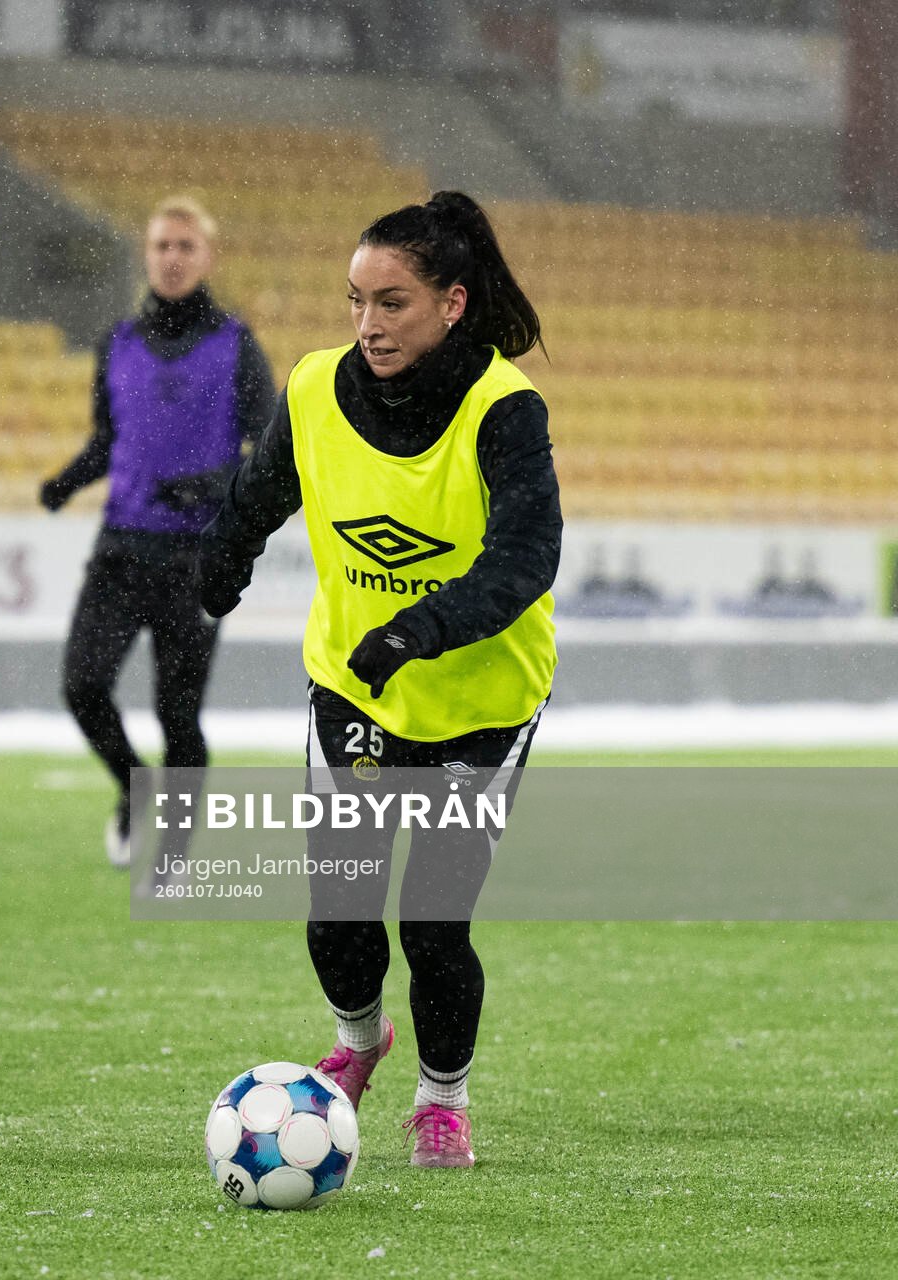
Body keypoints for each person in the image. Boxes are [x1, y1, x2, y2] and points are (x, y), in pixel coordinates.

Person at [195, 191, 560, 1168]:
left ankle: (443, 1099)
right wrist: (220, 564)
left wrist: (419, 628)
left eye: (391, 302)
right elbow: (260, 492)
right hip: (356, 692)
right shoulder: (316, 387)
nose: (368, 323)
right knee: (342, 909)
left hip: (483, 709)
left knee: (434, 923)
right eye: (356, 300)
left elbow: (527, 558)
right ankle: (359, 1043)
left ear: (451, 303)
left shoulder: (504, 409)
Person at [39, 196, 274, 869]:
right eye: (162, 246)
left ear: (208, 257)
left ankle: (174, 849)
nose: (172, 258)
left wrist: (210, 485)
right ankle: (134, 787)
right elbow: (108, 440)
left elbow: (269, 452)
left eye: (185, 246)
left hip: (196, 562)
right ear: (147, 255)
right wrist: (65, 481)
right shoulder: (117, 343)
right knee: (83, 687)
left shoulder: (236, 345)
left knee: (178, 714)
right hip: (121, 549)